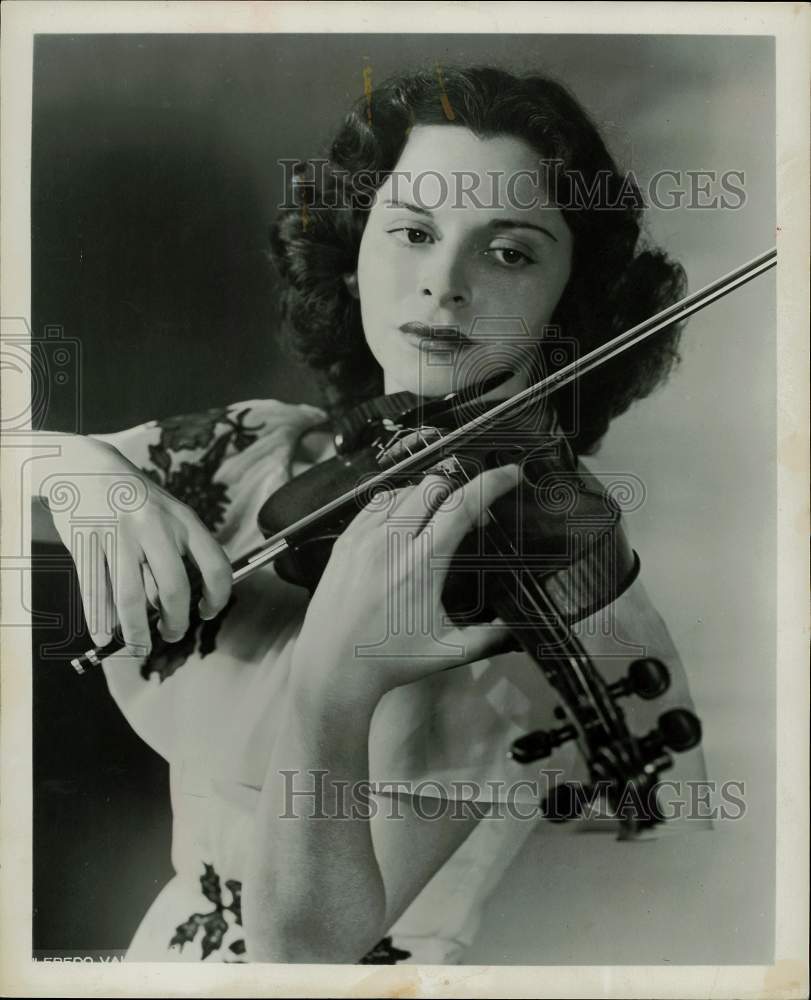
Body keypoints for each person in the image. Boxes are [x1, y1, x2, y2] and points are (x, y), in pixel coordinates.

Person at [34, 65, 708, 964]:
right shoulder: (264, 452)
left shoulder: (542, 594)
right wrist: (76, 471)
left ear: (567, 307)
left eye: (508, 251)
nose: (444, 284)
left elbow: (301, 959)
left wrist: (334, 687)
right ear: (352, 257)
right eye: (410, 232)